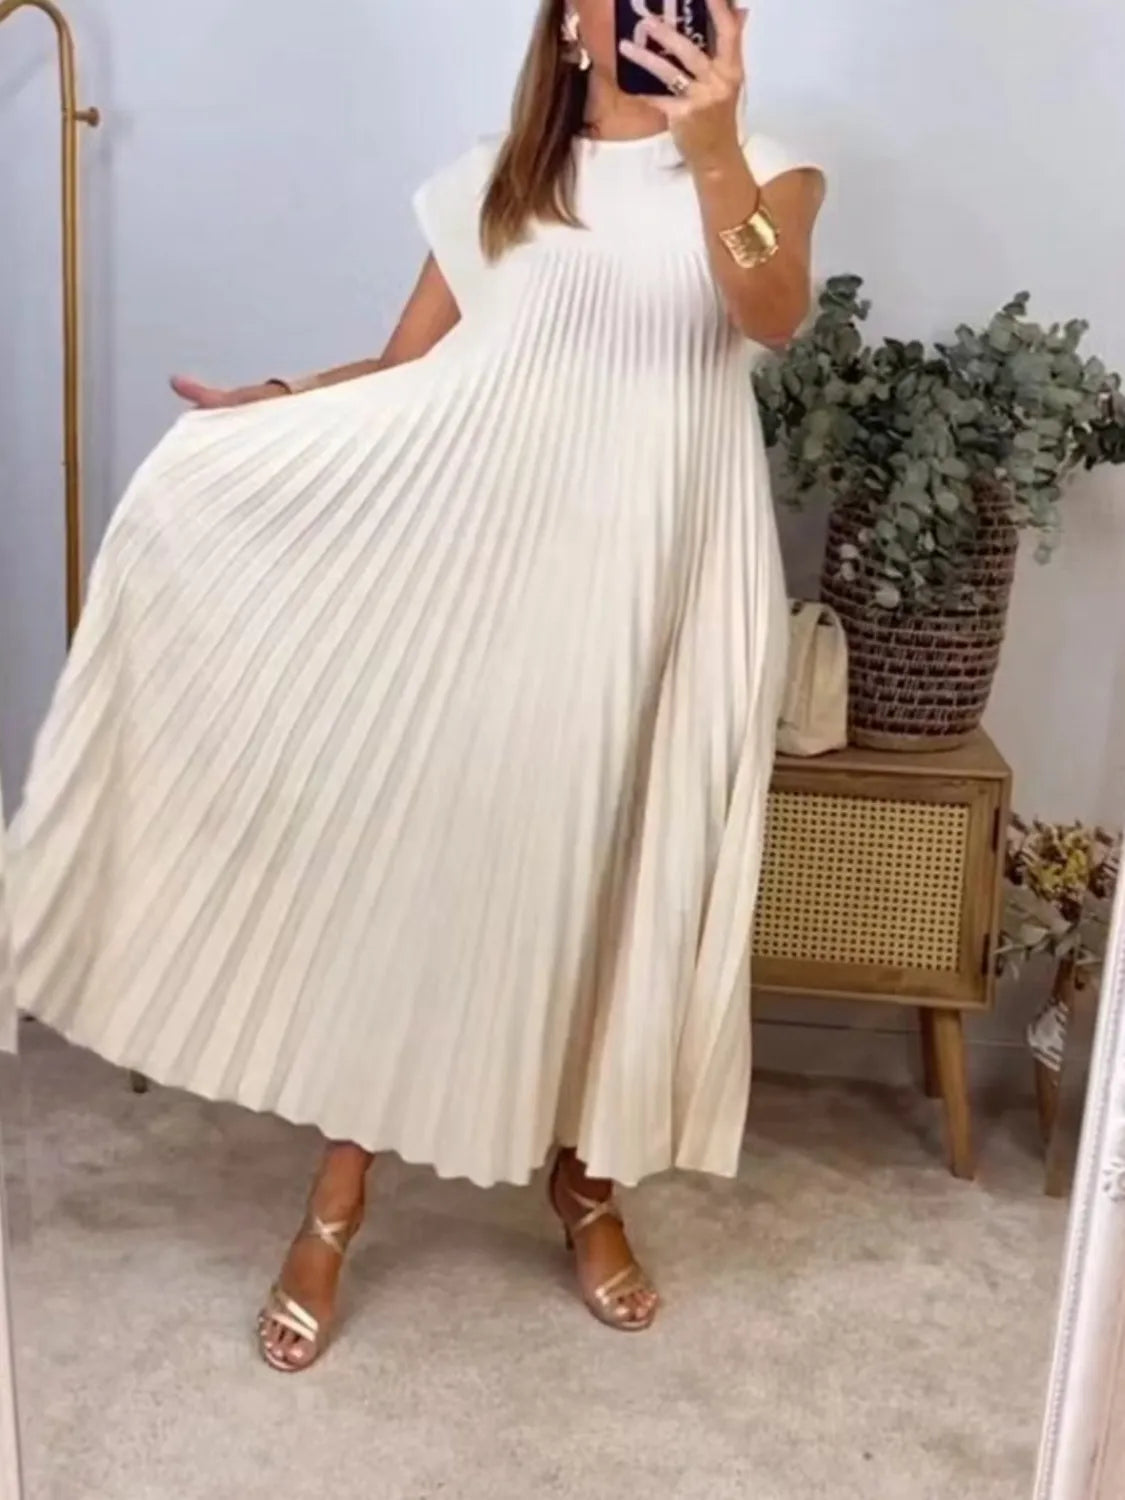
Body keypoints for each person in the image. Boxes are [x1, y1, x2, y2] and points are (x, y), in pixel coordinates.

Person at [7, 0, 825, 1371]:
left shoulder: (768, 170)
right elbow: (411, 371)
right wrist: (280, 401)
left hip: (675, 579)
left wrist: (715, 145)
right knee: (437, 874)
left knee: (629, 879)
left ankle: (587, 1185)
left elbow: (774, 312)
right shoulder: (497, 183)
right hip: (504, 573)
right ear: (574, 27)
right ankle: (335, 1203)